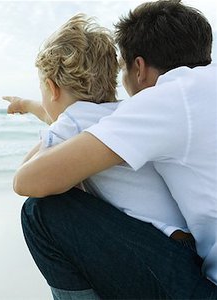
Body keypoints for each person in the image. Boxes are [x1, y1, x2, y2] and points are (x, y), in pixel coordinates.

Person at [12, 0, 217, 298]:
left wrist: (44, 120)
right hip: (189, 251)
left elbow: (26, 180)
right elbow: (82, 124)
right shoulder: (194, 94)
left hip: (183, 267)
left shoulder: (166, 101)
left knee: (40, 212)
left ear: (139, 68)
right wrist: (30, 106)